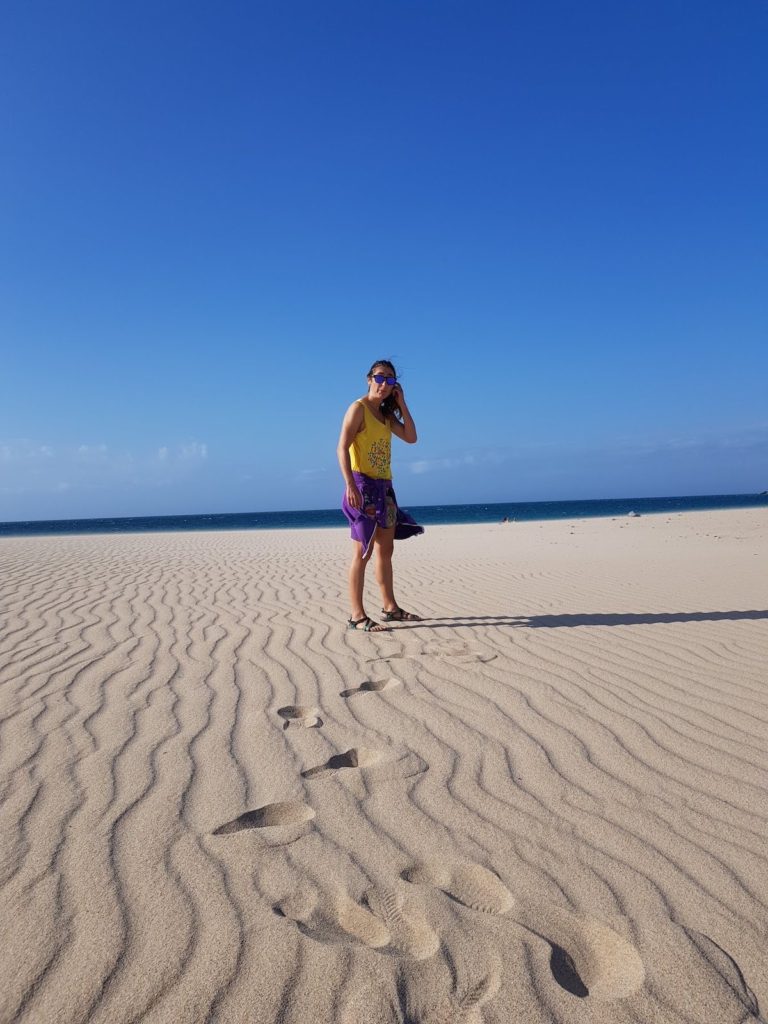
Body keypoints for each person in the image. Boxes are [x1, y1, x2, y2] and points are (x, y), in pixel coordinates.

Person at [338, 360, 424, 632]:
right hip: (363, 487)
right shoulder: (358, 409)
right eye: (379, 377)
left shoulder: (386, 416)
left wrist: (403, 403)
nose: (383, 384)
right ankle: (356, 616)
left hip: (385, 488)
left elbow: (411, 437)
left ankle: (390, 608)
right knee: (361, 553)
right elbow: (341, 448)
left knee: (385, 551)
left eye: (390, 380)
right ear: (368, 378)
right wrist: (350, 485)